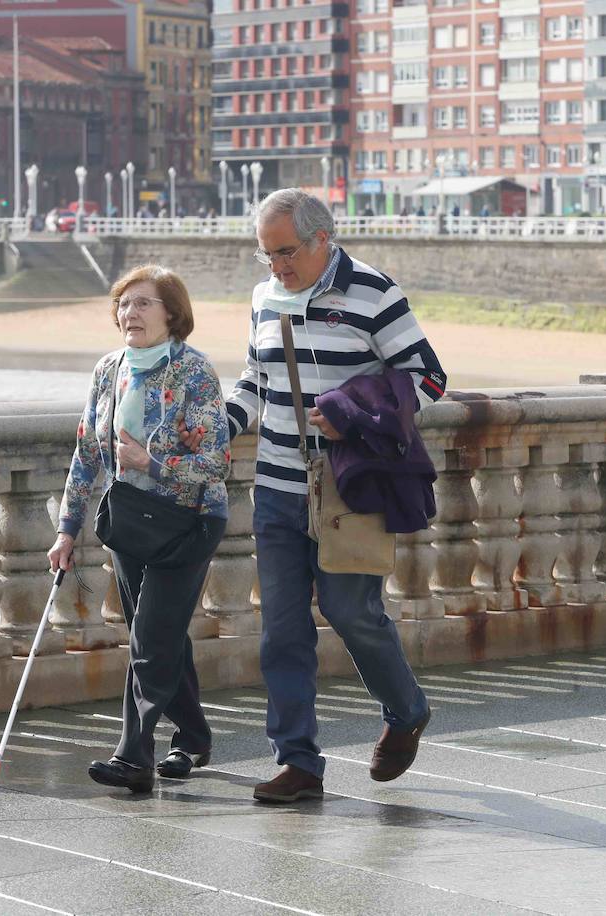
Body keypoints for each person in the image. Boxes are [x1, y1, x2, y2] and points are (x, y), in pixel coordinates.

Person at [213, 189, 444, 803]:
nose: (277, 268)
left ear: (322, 239)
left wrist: (355, 417)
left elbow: (429, 378)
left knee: (351, 613)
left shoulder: (373, 291)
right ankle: (298, 763)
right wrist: (222, 424)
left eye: (285, 253)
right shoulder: (264, 297)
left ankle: (406, 709)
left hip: (348, 491)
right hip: (276, 489)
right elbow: (252, 380)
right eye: (267, 256)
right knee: (281, 632)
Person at [49, 265, 231, 793]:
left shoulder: (193, 371)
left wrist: (151, 463)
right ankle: (192, 737)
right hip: (130, 521)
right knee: (158, 632)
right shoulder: (109, 369)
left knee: (152, 637)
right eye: (125, 304)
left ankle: (134, 758)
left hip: (190, 520)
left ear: (172, 312)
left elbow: (216, 461)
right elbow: (86, 455)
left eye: (145, 303)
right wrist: (66, 530)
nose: (131, 313)